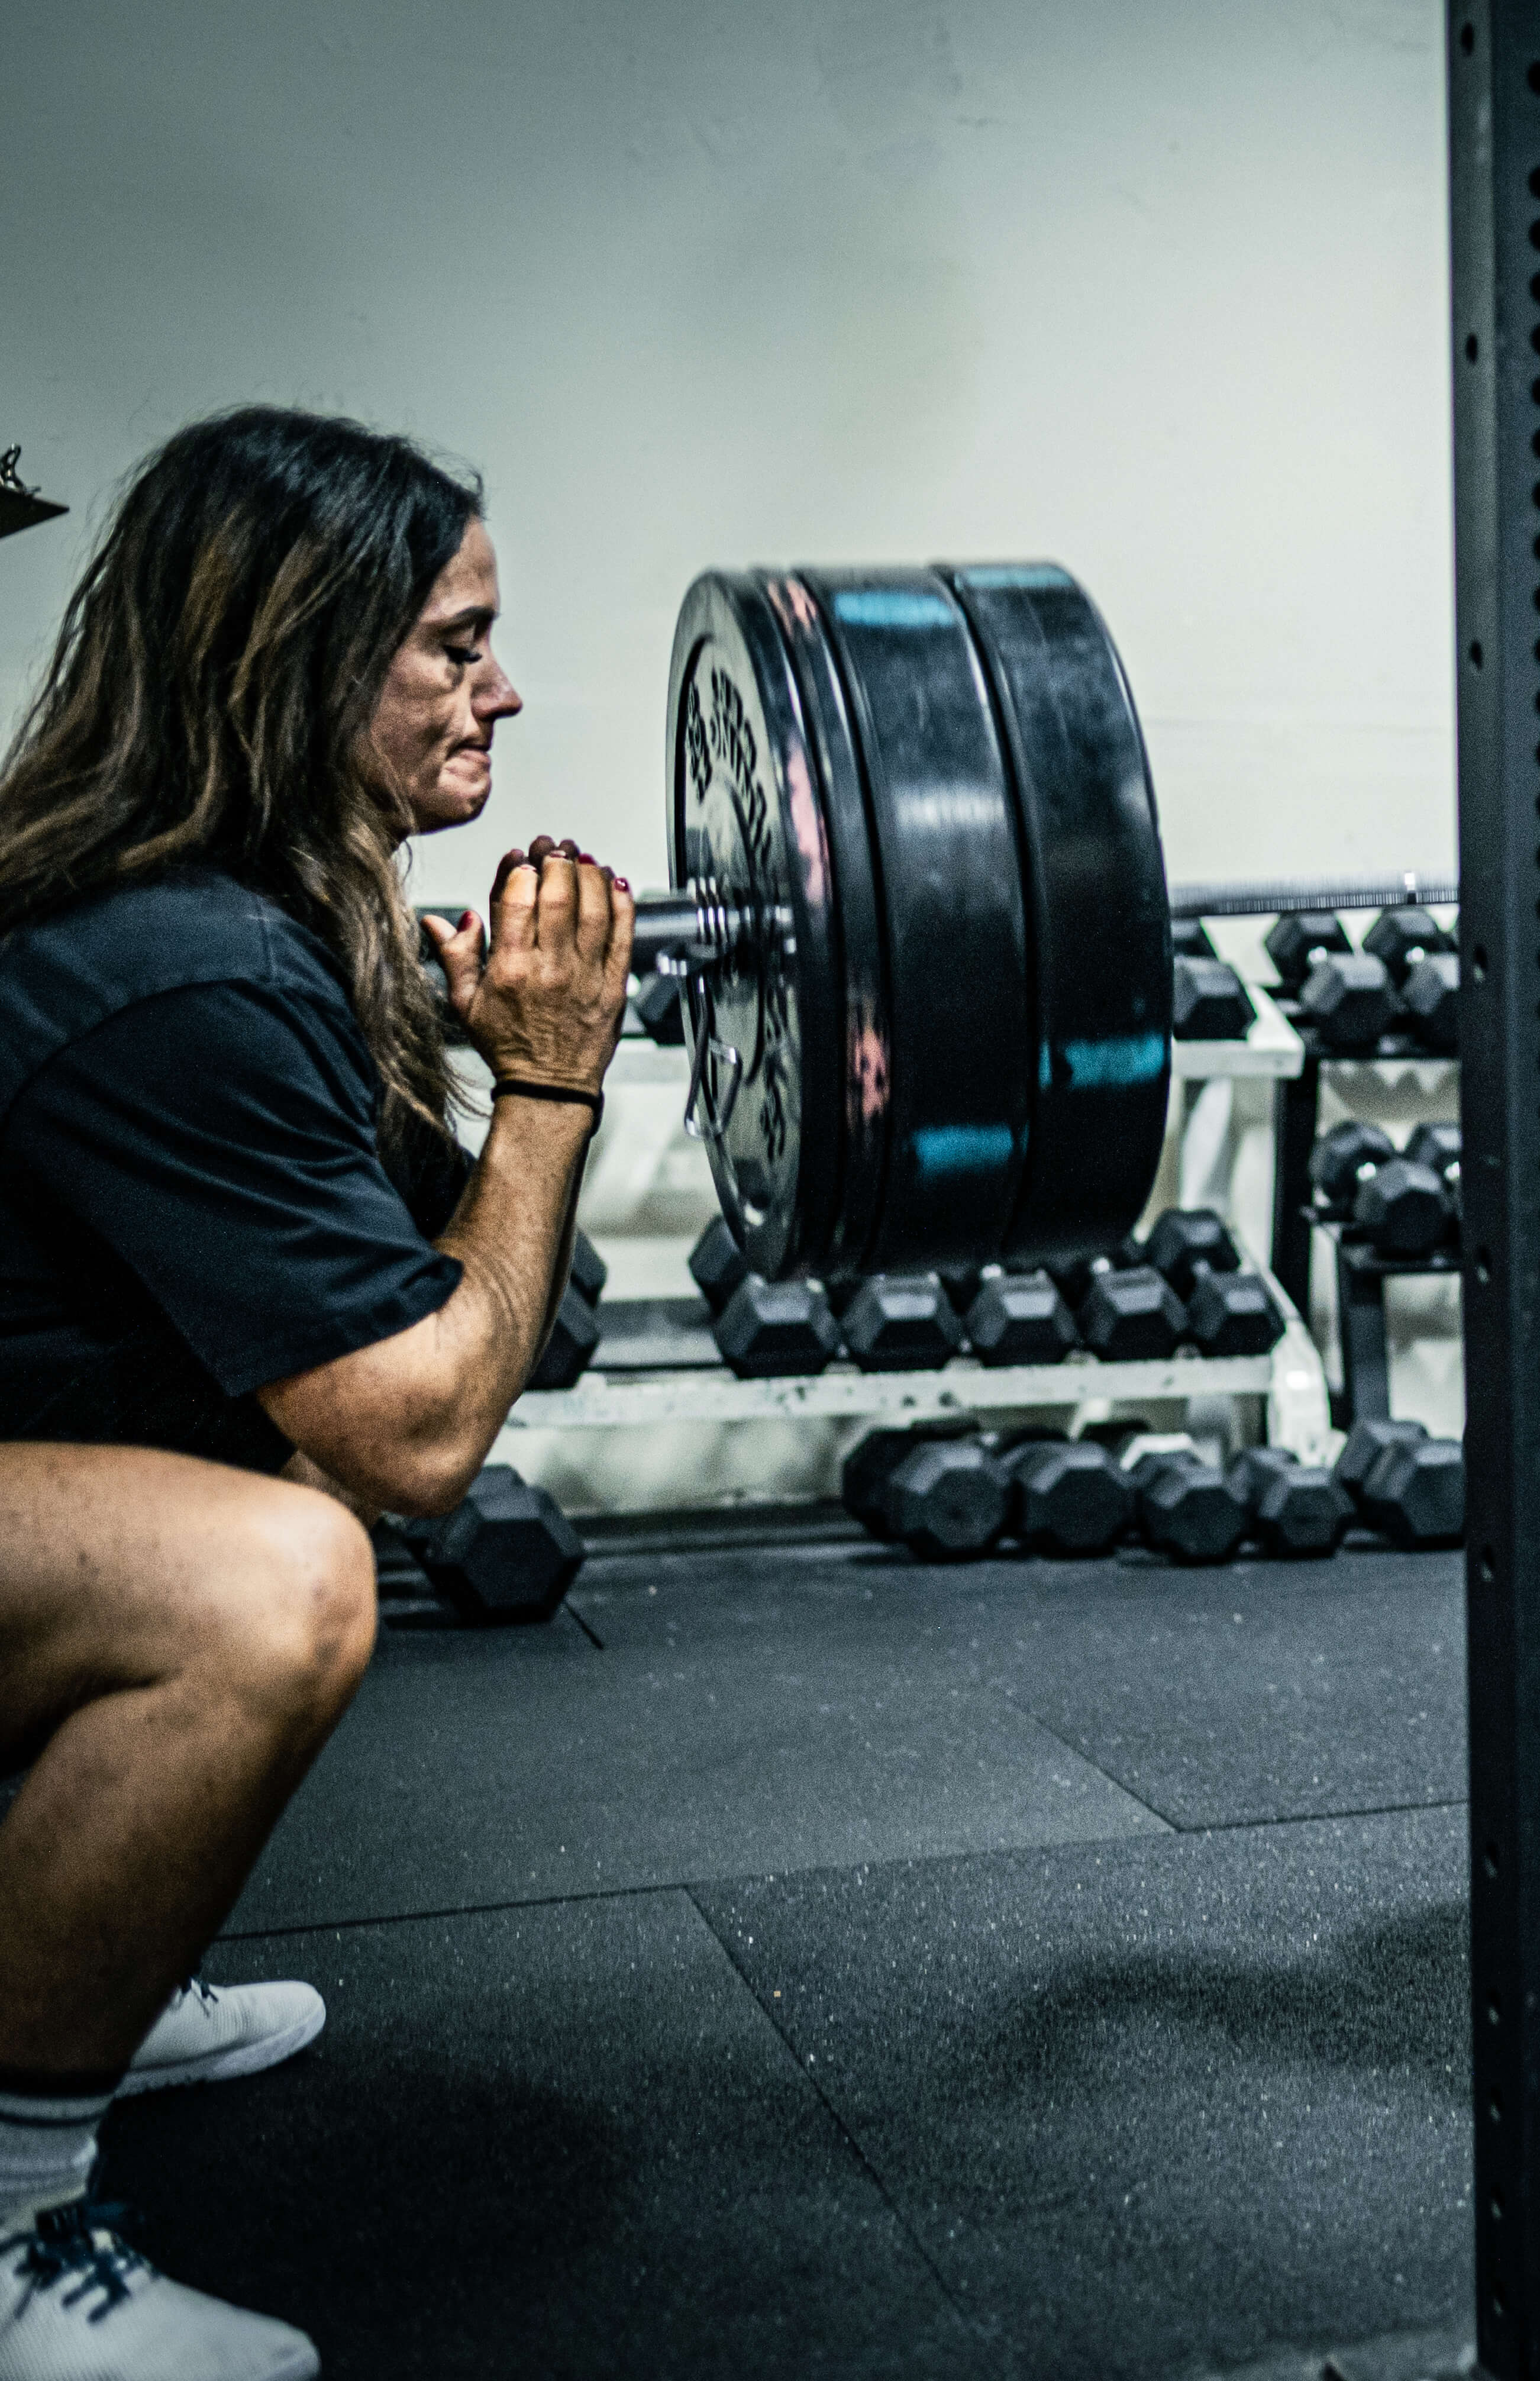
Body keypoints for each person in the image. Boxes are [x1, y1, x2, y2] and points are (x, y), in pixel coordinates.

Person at [0, 408, 632, 2377]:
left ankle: (84, 1960)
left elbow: (524, 1301)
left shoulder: (258, 924)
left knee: (290, 1470)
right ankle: (10, 2228)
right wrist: (548, 1086)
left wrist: (488, 1070)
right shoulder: (184, 964)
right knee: (278, 1575)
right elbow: (428, 1432)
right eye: (456, 645)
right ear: (297, 654)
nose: (501, 693)